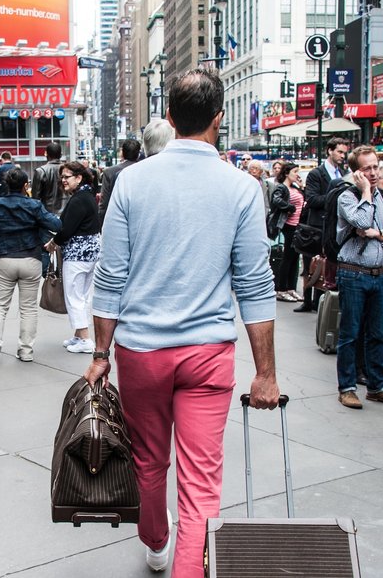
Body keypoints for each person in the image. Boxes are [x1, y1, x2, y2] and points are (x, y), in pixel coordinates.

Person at [86, 68, 281, 577]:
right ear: (219, 119)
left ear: (169, 118)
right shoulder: (242, 188)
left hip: (141, 351)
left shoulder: (131, 181)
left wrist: (100, 353)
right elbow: (255, 286)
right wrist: (265, 372)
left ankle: (155, 540)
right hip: (208, 352)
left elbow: (110, 275)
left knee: (148, 462)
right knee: (202, 483)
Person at [334, 146, 383, 409]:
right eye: (367, 168)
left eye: (376, 166)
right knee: (350, 333)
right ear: (356, 173)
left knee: (377, 334)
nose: (373, 172)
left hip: (377, 275)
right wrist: (365, 191)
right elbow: (361, 222)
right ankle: (348, 387)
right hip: (352, 273)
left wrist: (380, 235)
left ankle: (378, 386)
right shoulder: (347, 197)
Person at [0, 168, 62, 364]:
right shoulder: (34, 205)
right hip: (31, 259)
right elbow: (55, 225)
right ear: (25, 185)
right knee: (28, 308)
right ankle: (26, 351)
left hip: (4, 258)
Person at [46, 161, 102, 354]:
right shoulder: (88, 196)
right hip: (91, 253)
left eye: (67, 177)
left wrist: (54, 243)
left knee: (74, 296)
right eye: (62, 177)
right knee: (83, 295)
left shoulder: (79, 199)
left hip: (77, 254)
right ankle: (79, 335)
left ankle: (85, 339)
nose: (63, 180)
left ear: (79, 177)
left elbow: (66, 229)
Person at [296, 137, 352, 312]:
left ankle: (321, 300)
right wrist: (336, 197)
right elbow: (311, 199)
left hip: (333, 227)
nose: (343, 156)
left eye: (344, 152)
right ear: (330, 151)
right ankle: (308, 300)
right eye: (339, 152)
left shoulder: (342, 174)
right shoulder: (317, 174)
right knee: (311, 265)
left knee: (326, 266)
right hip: (317, 227)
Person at [269, 162, 305, 302]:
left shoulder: (295, 187)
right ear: (287, 173)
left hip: (298, 226)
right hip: (288, 225)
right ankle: (281, 289)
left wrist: (302, 187)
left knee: (295, 259)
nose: (297, 174)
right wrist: (289, 207)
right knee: (287, 258)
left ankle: (291, 288)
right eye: (295, 171)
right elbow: (276, 200)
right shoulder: (282, 188)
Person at [99, 138, 142, 220]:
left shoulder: (109, 172)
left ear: (122, 153)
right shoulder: (145, 170)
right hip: (139, 218)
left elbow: (104, 201)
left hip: (116, 217)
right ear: (138, 154)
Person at [31, 142, 67, 214]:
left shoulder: (40, 171)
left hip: (47, 214)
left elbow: (35, 198)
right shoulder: (68, 170)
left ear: (46, 154)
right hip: (66, 213)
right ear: (61, 154)